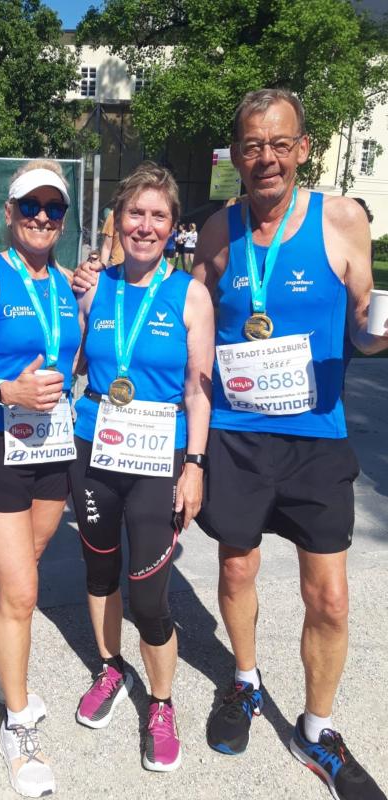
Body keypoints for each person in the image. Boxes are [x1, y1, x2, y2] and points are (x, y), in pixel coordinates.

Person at [192, 88, 388, 800]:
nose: (266, 158)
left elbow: (363, 324)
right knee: (237, 570)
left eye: (280, 143)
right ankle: (244, 681)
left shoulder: (342, 219)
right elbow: (192, 317)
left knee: (329, 598)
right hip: (237, 436)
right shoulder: (219, 229)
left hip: (316, 437)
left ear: (303, 148)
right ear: (236, 154)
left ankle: (317, 729)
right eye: (252, 145)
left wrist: (379, 336)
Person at [69, 162, 214, 772]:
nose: (146, 226)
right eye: (135, 213)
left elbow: (198, 391)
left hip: (159, 456)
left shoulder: (190, 294)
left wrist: (195, 465)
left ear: (173, 227)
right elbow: (74, 360)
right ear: (118, 220)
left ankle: (160, 702)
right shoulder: (93, 287)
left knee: (149, 594)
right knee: (99, 571)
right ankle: (110, 668)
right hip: (94, 447)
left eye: (158, 216)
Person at [0, 159, 81, 798]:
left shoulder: (65, 282)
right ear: (9, 213)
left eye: (53, 208)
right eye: (30, 206)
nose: (41, 217)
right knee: (23, 591)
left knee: (21, 576)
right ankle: (18, 723)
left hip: (52, 446)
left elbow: (74, 359)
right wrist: (9, 390)